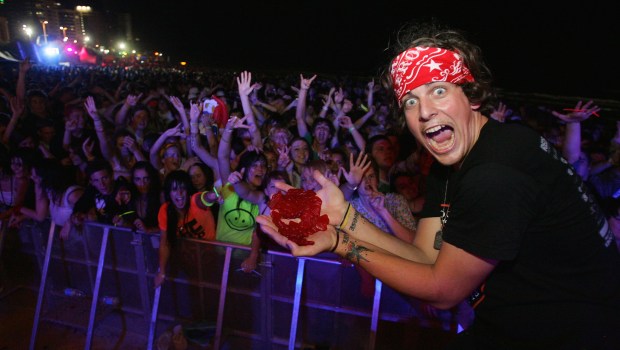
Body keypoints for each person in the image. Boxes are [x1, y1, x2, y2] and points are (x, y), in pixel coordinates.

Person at [257, 22, 620, 349]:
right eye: (411, 101)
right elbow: (426, 258)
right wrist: (344, 216)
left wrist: (339, 242)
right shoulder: (449, 167)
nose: (424, 111)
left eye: (439, 91)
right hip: (513, 327)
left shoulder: (496, 170)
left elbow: (442, 291)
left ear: (473, 95)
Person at [154, 170, 217, 287]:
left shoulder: (194, 201)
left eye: (183, 188)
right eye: (174, 189)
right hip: (187, 262)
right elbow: (165, 242)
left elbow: (204, 198)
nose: (179, 193)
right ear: (169, 193)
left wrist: (213, 195)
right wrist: (161, 271)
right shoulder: (165, 210)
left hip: (209, 259)